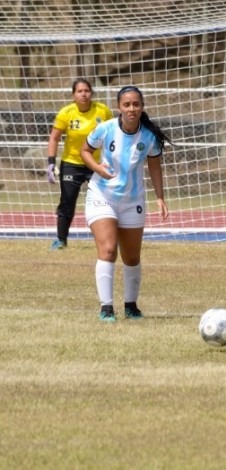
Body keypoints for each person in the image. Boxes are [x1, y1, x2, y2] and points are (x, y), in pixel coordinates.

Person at [80, 85, 171, 322]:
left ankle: (131, 306)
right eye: (126, 104)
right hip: (102, 197)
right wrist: (97, 167)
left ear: (142, 107)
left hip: (133, 201)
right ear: (119, 107)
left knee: (131, 257)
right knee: (108, 250)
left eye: (136, 104)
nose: (131, 109)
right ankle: (106, 308)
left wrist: (160, 197)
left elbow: (154, 166)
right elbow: (85, 150)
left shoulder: (149, 137)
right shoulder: (106, 129)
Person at [46, 78, 113, 250]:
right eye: (79, 91)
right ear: (73, 95)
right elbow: (54, 138)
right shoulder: (66, 113)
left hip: (96, 164)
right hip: (72, 163)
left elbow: (113, 134)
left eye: (86, 91)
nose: (83, 94)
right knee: (67, 201)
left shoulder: (103, 111)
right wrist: (51, 163)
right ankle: (61, 240)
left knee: (106, 200)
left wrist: (112, 159)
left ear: (91, 93)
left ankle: (109, 238)